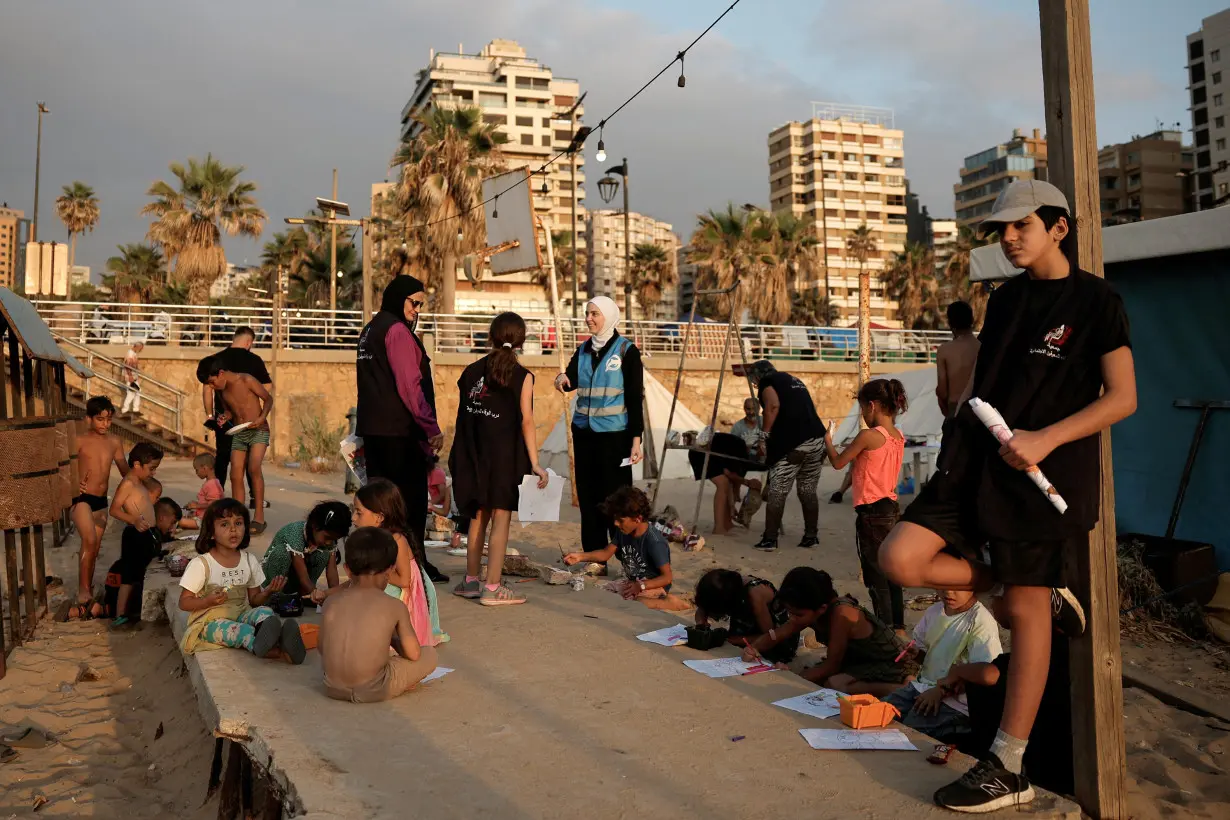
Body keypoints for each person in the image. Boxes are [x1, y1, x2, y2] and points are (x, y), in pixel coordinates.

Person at [878, 180, 1136, 812]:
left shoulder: (1097, 300)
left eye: (1021, 225)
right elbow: (986, 384)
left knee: (1025, 614)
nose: (1009, 238)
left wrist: (1045, 439)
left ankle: (1010, 765)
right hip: (973, 461)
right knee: (899, 559)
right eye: (1002, 229)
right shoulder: (1005, 300)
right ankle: (1027, 585)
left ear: (1059, 227)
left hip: (1041, 480)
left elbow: (1124, 398)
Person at [449, 313, 549, 607]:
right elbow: (526, 422)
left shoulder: (470, 372)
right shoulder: (523, 376)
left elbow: (465, 414)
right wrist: (535, 463)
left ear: (491, 337)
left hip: (471, 453)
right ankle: (492, 587)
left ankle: (470, 581)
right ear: (521, 341)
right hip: (504, 456)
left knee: (477, 516)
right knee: (501, 518)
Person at [355, 275, 448, 584]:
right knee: (409, 504)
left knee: (379, 503)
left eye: (420, 304)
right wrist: (430, 427)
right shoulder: (395, 331)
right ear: (399, 298)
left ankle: (379, 563)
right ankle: (414, 566)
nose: (417, 310)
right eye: (414, 302)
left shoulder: (370, 330)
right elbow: (410, 386)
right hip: (399, 434)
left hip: (375, 430)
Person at [554, 296, 644, 572]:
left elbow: (634, 399)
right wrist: (561, 379)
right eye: (587, 314)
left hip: (615, 439)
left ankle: (627, 557)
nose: (589, 318)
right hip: (585, 437)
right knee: (589, 499)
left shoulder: (627, 351)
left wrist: (636, 441)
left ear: (609, 316)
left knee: (617, 500)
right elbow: (569, 380)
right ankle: (594, 557)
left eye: (595, 314)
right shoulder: (583, 350)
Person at [822, 378, 909, 631]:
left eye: (862, 408)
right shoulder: (897, 435)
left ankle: (884, 628)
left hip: (872, 512)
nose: (863, 414)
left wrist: (827, 440)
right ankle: (898, 626)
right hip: (891, 508)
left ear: (871, 406)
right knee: (892, 571)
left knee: (875, 574)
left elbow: (838, 463)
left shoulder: (868, 436)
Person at [319, 527, 439, 703]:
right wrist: (392, 638)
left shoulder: (331, 602)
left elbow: (322, 648)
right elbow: (413, 654)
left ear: (348, 570)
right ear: (390, 571)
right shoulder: (394, 606)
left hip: (332, 687)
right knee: (429, 654)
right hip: (374, 688)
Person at [176, 498, 303, 663]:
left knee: (266, 613)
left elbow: (255, 600)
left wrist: (269, 591)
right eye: (224, 524)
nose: (233, 530)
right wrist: (207, 601)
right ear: (211, 533)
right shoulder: (201, 564)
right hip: (210, 621)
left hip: (241, 612)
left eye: (238, 523)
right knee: (240, 631)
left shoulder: (249, 560)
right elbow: (184, 603)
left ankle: (276, 641)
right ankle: (278, 650)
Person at [882, 589, 1002, 745]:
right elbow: (931, 657)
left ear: (974, 585)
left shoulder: (980, 622)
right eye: (943, 586)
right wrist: (916, 654)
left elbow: (983, 676)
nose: (948, 593)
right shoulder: (935, 611)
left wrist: (940, 691)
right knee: (878, 714)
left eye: (956, 587)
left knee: (906, 735)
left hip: (956, 702)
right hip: (923, 687)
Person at [775, 567, 916, 696]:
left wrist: (792, 679)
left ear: (821, 609)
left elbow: (831, 666)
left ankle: (904, 689)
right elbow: (776, 635)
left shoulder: (842, 613)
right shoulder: (811, 609)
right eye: (790, 613)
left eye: (797, 615)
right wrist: (754, 649)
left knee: (834, 685)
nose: (792, 618)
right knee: (815, 678)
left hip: (891, 663)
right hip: (858, 662)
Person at [745, 360, 828, 552]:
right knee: (807, 490)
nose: (755, 384)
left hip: (794, 444)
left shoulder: (768, 382)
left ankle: (770, 539)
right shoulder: (792, 379)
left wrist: (764, 436)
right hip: (817, 440)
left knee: (777, 492)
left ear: (758, 375)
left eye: (754, 380)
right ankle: (811, 536)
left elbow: (772, 406)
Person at [351, 479, 444, 646]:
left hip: (405, 590)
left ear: (379, 517)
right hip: (387, 580)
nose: (353, 518)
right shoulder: (371, 537)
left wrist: (374, 573)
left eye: (359, 512)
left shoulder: (397, 540)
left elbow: (404, 581)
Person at [564, 486, 683, 610]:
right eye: (615, 519)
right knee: (604, 591)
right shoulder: (623, 531)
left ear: (638, 519)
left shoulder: (654, 542)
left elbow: (667, 577)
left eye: (620, 520)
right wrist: (579, 556)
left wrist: (642, 586)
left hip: (653, 586)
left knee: (638, 602)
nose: (615, 524)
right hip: (633, 582)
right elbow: (605, 553)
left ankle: (672, 602)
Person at [198, 327, 273, 506]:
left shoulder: (217, 359)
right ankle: (255, 498)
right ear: (249, 342)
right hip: (248, 418)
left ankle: (216, 498)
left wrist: (210, 414)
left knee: (223, 458)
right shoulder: (254, 360)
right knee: (249, 464)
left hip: (225, 417)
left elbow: (207, 389)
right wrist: (251, 402)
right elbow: (267, 388)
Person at [69, 396, 129, 617]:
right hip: (80, 499)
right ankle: (83, 592)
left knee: (93, 549)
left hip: (100, 501)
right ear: (89, 419)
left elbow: (125, 470)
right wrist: (74, 483)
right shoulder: (79, 440)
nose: (105, 424)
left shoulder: (114, 442)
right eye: (100, 419)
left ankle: (88, 588)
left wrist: (141, 485)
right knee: (89, 540)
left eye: (108, 419)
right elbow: (63, 468)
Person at [204, 357, 272, 533]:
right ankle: (238, 517)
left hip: (259, 430)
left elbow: (268, 399)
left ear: (220, 374)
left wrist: (261, 417)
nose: (212, 387)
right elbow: (230, 410)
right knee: (235, 473)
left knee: (254, 467)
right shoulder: (221, 390)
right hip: (239, 432)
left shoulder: (246, 379)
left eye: (212, 382)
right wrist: (225, 416)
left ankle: (259, 517)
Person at [695, 569, 799, 664]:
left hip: (777, 638)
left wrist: (733, 640)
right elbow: (703, 606)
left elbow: (770, 636)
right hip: (748, 627)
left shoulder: (754, 595)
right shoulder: (726, 584)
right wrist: (701, 624)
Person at [261, 501, 352, 603]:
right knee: (281, 553)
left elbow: (332, 571)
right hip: (275, 578)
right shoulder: (295, 534)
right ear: (315, 525)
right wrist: (317, 595)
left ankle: (305, 594)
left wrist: (335, 597)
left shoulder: (327, 542)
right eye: (327, 537)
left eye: (334, 539)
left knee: (323, 554)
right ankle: (275, 595)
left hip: (294, 581)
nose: (329, 542)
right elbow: (303, 576)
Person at [111, 498, 181, 628]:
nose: (173, 528)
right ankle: (120, 615)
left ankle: (129, 612)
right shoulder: (145, 532)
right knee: (129, 576)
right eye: (172, 523)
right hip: (134, 537)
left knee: (135, 576)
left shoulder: (155, 531)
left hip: (137, 535)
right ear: (161, 518)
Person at [688, 432, 758, 535]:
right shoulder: (740, 448)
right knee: (722, 484)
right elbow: (728, 474)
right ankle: (719, 528)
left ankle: (727, 523)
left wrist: (731, 505)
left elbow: (732, 481)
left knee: (725, 483)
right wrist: (747, 483)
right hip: (701, 454)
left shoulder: (737, 446)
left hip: (709, 453)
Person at [936, 300, 981, 437]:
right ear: (972, 320)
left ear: (950, 323)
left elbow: (942, 391)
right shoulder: (982, 348)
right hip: (979, 412)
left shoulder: (945, 350)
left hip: (955, 410)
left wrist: (948, 411)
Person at [180, 453, 225, 530]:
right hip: (204, 516)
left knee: (180, 521)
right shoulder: (212, 482)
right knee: (188, 515)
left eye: (197, 470)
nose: (196, 473)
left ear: (204, 468)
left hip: (208, 520)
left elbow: (215, 503)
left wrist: (197, 506)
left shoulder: (212, 484)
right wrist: (196, 505)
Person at [120, 341, 144, 415]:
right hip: (130, 377)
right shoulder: (130, 354)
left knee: (138, 391)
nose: (141, 350)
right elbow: (127, 366)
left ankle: (135, 409)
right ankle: (125, 409)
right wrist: (130, 376)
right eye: (141, 348)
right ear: (137, 347)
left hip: (134, 376)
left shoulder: (134, 354)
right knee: (131, 393)